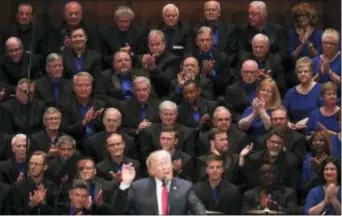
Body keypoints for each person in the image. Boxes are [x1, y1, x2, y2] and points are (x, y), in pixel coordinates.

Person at [114, 150, 206, 214]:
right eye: (161, 164)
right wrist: (125, 183)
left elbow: (198, 209)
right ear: (151, 170)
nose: (166, 167)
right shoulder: (138, 187)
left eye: (168, 163)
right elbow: (119, 211)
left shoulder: (185, 187)